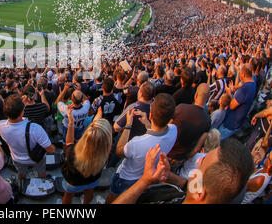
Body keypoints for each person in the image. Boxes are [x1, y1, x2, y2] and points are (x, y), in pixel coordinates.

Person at [112, 138, 253, 204]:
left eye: (202, 163)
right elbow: (191, 187)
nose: (198, 160)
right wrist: (170, 177)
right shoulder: (203, 195)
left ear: (200, 194)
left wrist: (144, 180)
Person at [106, 93, 178, 203]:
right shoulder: (174, 130)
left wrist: (128, 124)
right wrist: (147, 124)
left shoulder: (137, 142)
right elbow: (157, 134)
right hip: (145, 175)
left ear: (150, 116)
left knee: (113, 196)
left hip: (126, 177)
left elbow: (119, 150)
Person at [0, 95, 55, 180]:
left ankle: (22, 183)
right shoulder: (35, 128)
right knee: (41, 172)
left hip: (17, 158)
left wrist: (20, 105)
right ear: (22, 112)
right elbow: (51, 149)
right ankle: (42, 181)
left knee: (21, 173)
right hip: (36, 158)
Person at [61, 110, 112, 204]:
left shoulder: (73, 154)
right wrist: (98, 117)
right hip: (93, 180)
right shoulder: (105, 153)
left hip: (73, 182)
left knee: (68, 196)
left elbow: (69, 143)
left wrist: (71, 122)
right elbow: (97, 134)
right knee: (89, 193)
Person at [168, 83, 211, 165]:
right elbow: (197, 148)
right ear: (208, 98)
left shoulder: (181, 107)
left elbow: (166, 126)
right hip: (179, 158)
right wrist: (184, 158)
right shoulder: (207, 121)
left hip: (166, 149)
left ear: (196, 95)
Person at [219, 65, 256, 140]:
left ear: (243, 75)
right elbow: (240, 100)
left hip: (231, 123)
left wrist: (229, 93)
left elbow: (232, 106)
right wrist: (233, 92)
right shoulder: (253, 83)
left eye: (240, 73)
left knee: (218, 140)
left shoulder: (244, 89)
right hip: (238, 121)